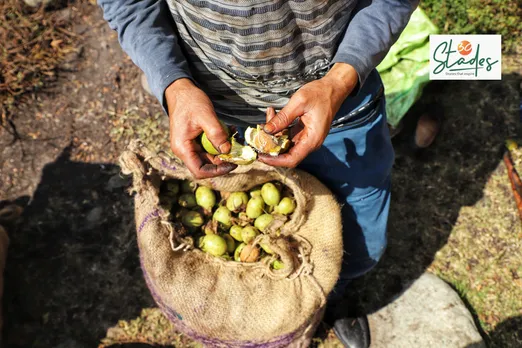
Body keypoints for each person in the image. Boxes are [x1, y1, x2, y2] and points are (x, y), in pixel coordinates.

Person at [98, 1, 419, 346]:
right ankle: (299, 305)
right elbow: (128, 6)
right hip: (217, 115)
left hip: (341, 105)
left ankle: (336, 290)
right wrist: (174, 85)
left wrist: (340, 80)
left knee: (363, 232)